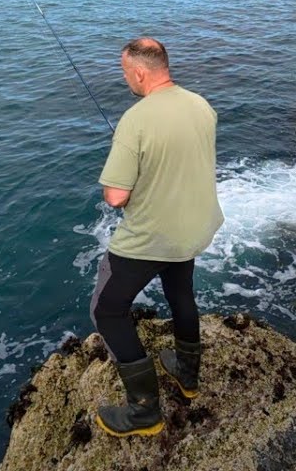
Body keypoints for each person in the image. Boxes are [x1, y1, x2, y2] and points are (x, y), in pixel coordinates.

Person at [91, 37, 224, 437]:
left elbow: (116, 196)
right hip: (193, 227)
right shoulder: (201, 104)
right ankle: (188, 376)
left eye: (124, 72)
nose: (125, 78)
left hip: (154, 235)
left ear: (139, 72)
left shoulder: (136, 119)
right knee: (181, 293)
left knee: (106, 310)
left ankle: (144, 412)